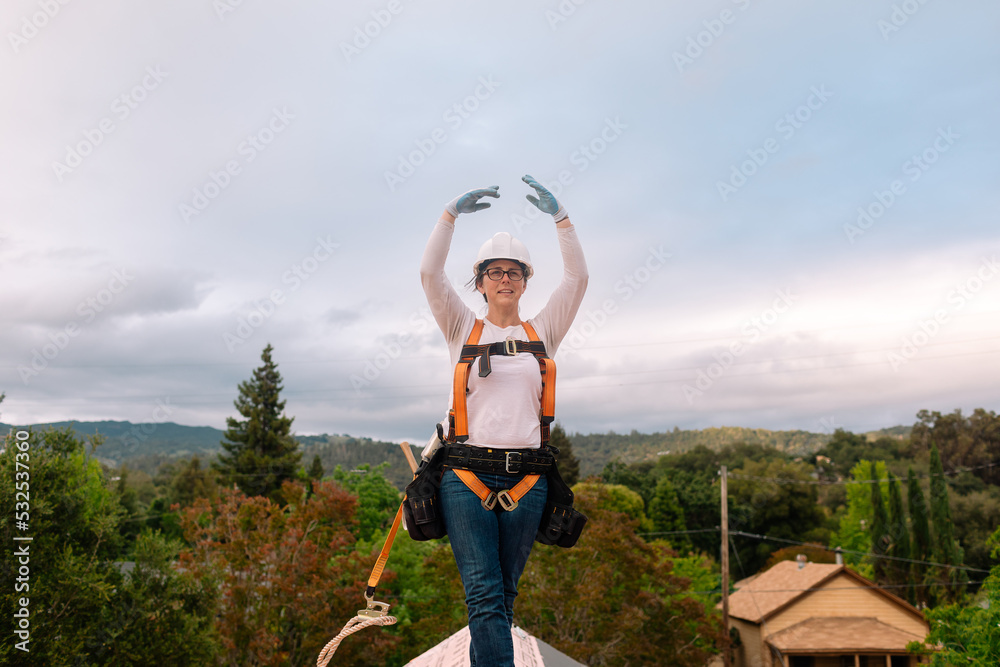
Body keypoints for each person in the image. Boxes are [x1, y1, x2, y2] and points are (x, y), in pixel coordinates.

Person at [419, 175, 588, 666]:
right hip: (466, 477)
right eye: (494, 271)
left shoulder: (544, 332)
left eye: (514, 272)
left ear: (526, 281)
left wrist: (563, 220)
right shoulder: (461, 327)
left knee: (503, 598)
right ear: (481, 281)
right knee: (485, 597)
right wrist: (448, 215)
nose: (505, 279)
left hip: (528, 478)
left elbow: (577, 280)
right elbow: (430, 275)